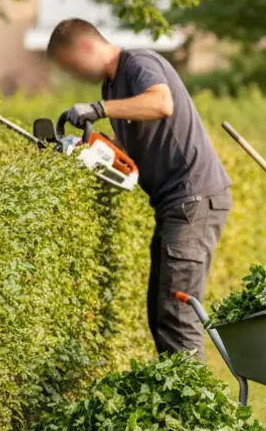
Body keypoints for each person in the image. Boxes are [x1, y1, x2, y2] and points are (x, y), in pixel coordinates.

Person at [46, 18, 231, 360]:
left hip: (192, 198)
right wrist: (88, 149)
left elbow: (161, 104)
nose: (74, 75)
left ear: (86, 46)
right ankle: (176, 398)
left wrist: (98, 111)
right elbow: (129, 150)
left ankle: (195, 407)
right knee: (161, 312)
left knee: (177, 314)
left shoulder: (139, 63)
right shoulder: (112, 86)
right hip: (176, 204)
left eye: (72, 66)